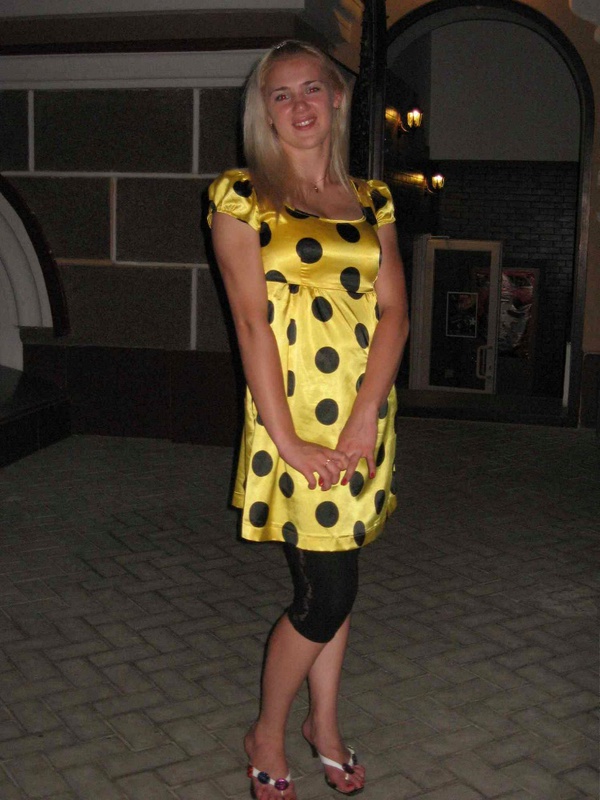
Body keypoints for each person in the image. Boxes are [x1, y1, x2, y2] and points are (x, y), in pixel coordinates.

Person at [208, 39, 409, 800]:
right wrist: (286, 438)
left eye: (312, 89)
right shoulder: (242, 196)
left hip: (362, 411)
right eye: (281, 94)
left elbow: (395, 313)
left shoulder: (373, 199)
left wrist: (365, 418)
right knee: (326, 592)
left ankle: (323, 724)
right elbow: (250, 324)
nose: (300, 106)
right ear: (264, 112)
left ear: (337, 98)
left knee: (339, 571)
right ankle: (268, 730)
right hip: (289, 417)